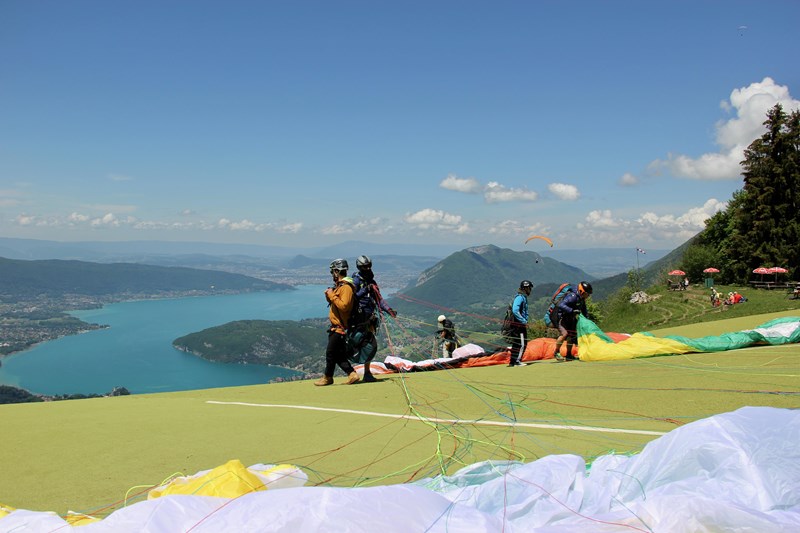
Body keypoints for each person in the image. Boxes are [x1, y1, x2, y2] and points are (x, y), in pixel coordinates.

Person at [348, 255, 397, 383]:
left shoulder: (372, 282)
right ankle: (351, 372)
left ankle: (367, 373)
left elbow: (379, 299)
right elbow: (352, 298)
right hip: (357, 320)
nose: (368, 268)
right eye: (365, 267)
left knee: (370, 346)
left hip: (368, 320)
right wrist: (365, 290)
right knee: (355, 344)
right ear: (360, 267)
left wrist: (389, 309)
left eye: (369, 266)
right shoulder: (356, 281)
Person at [315, 258, 360, 386]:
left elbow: (345, 306)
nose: (332, 275)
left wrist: (331, 295)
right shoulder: (340, 287)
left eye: (332, 272)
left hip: (340, 328)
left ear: (336, 271)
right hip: (337, 327)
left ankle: (328, 377)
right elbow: (337, 305)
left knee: (330, 353)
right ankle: (352, 374)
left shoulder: (346, 287)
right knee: (338, 355)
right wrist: (329, 296)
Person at [553, 281, 592, 362]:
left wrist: (588, 320)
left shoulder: (581, 298)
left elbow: (584, 310)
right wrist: (572, 311)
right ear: (582, 291)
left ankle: (569, 354)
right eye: (587, 294)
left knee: (571, 335)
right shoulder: (572, 296)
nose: (588, 296)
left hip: (570, 318)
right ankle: (556, 352)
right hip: (561, 317)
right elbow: (561, 305)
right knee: (564, 334)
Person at [506, 280, 533, 367]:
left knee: (517, 343)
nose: (530, 290)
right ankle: (517, 361)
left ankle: (512, 362)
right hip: (518, 325)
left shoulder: (522, 297)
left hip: (517, 324)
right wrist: (523, 321)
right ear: (525, 288)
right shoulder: (520, 298)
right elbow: (515, 310)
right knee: (522, 343)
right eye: (529, 288)